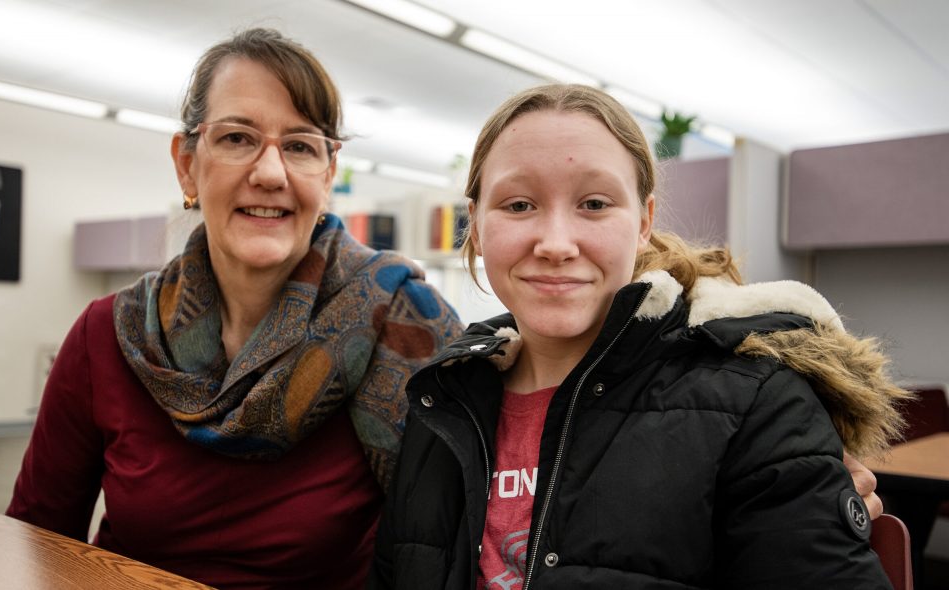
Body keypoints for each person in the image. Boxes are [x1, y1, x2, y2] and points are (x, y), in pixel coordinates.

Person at [369, 83, 910, 589]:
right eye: (518, 205)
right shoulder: (441, 400)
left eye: (595, 204)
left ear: (644, 220)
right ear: (477, 225)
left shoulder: (754, 403)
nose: (556, 243)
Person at [6, 28, 461, 589]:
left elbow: (456, 550)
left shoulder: (403, 324)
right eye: (238, 138)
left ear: (327, 172)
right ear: (187, 165)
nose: (270, 173)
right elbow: (34, 540)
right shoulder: (110, 334)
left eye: (299, 145)